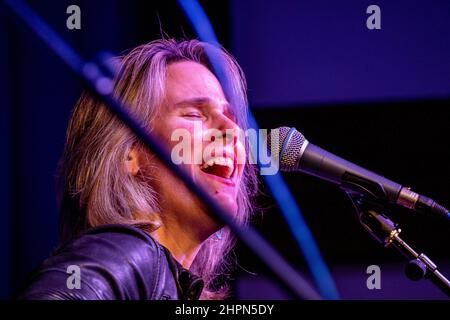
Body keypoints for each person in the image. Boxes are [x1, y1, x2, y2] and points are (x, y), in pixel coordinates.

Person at [19, 39, 258, 300]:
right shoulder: (128, 253)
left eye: (233, 118)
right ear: (128, 152)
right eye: (194, 114)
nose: (233, 131)